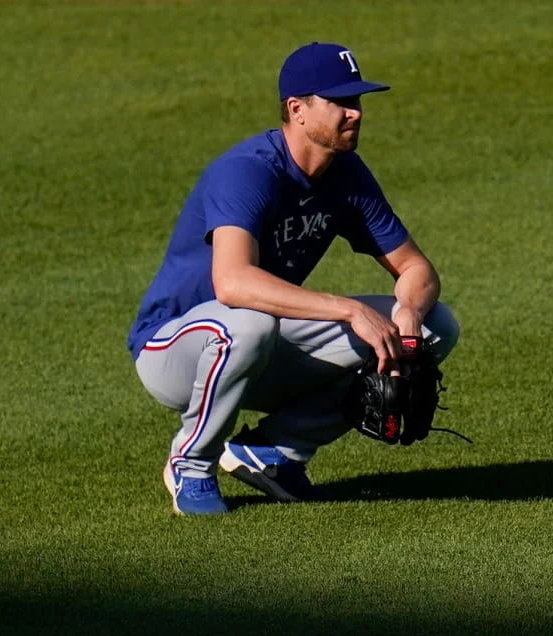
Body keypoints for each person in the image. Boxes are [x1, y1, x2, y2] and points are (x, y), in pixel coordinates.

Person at [126, 42, 459, 515]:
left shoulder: (346, 175)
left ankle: (274, 451)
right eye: (340, 102)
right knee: (250, 322)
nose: (355, 113)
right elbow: (233, 284)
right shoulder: (248, 171)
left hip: (254, 346)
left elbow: (416, 269)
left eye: (358, 101)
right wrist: (349, 310)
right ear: (296, 110)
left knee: (432, 327)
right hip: (173, 347)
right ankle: (191, 462)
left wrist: (408, 310)